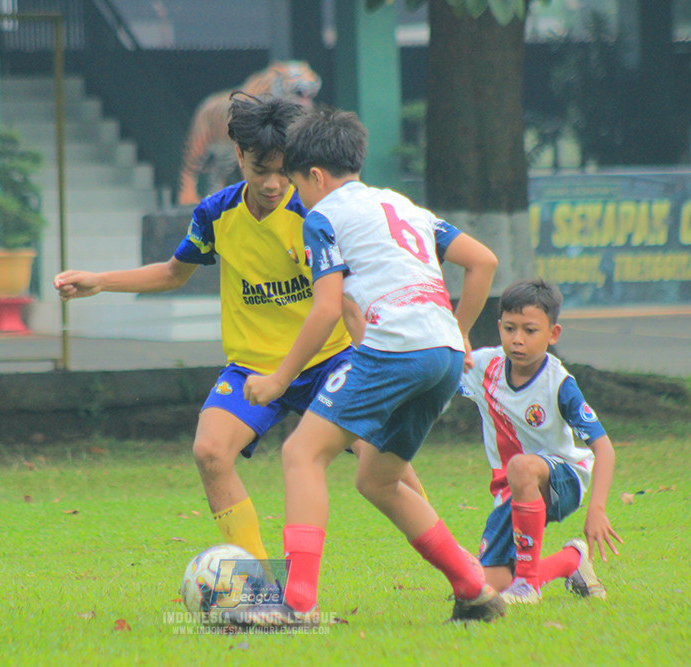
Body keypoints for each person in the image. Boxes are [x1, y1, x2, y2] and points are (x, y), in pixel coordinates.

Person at [53, 94, 427, 565]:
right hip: (253, 368)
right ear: (239, 156)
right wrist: (100, 281)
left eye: (283, 171)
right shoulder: (216, 213)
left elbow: (347, 305)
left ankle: (459, 565)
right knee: (210, 451)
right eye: (259, 169)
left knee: (382, 459)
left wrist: (377, 367)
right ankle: (260, 579)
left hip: (329, 361)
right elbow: (172, 273)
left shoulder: (318, 217)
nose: (272, 184)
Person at [235, 105, 502, 625]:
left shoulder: (322, 217)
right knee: (379, 480)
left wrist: (279, 379)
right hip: (444, 357)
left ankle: (297, 603)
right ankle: (474, 589)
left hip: (393, 348)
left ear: (315, 176)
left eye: (296, 185)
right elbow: (483, 261)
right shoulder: (403, 206)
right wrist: (460, 331)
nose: (295, 197)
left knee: (301, 454)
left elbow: (326, 309)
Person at [457, 277, 623, 604]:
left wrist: (597, 509)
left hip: (563, 479)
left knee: (521, 466)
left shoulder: (558, 383)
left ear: (553, 334)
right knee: (484, 588)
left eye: (530, 330)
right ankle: (571, 560)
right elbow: (438, 376)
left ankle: (528, 586)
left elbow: (604, 449)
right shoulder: (483, 366)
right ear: (499, 327)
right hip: (511, 491)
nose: (517, 339)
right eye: (509, 329)